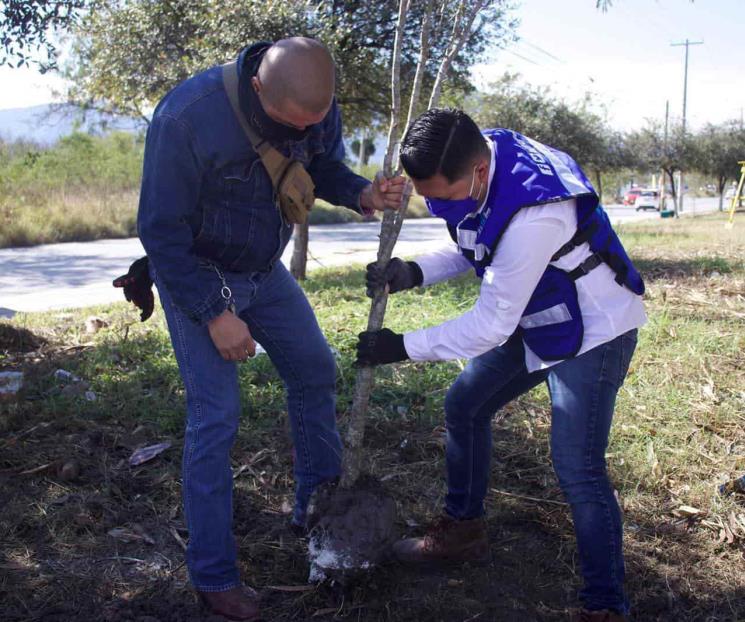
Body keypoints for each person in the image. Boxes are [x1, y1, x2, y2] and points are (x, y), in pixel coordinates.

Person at [131, 37, 405, 620]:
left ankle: (318, 514)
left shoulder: (314, 101)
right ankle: (214, 576)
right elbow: (161, 232)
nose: (306, 129)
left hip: (263, 269)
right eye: (292, 122)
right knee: (216, 417)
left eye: (316, 120)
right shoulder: (186, 117)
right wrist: (215, 313)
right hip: (197, 275)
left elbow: (319, 165)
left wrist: (360, 191)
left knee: (314, 371)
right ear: (259, 87)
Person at [356, 108, 645, 622]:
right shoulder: (472, 155)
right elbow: (475, 243)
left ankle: (606, 606)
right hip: (542, 313)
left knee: (577, 468)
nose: (439, 204)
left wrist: (402, 347)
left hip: (596, 329)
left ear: (478, 174)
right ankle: (463, 530)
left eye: (442, 194)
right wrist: (414, 271)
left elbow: (489, 322)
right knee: (465, 405)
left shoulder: (537, 214)